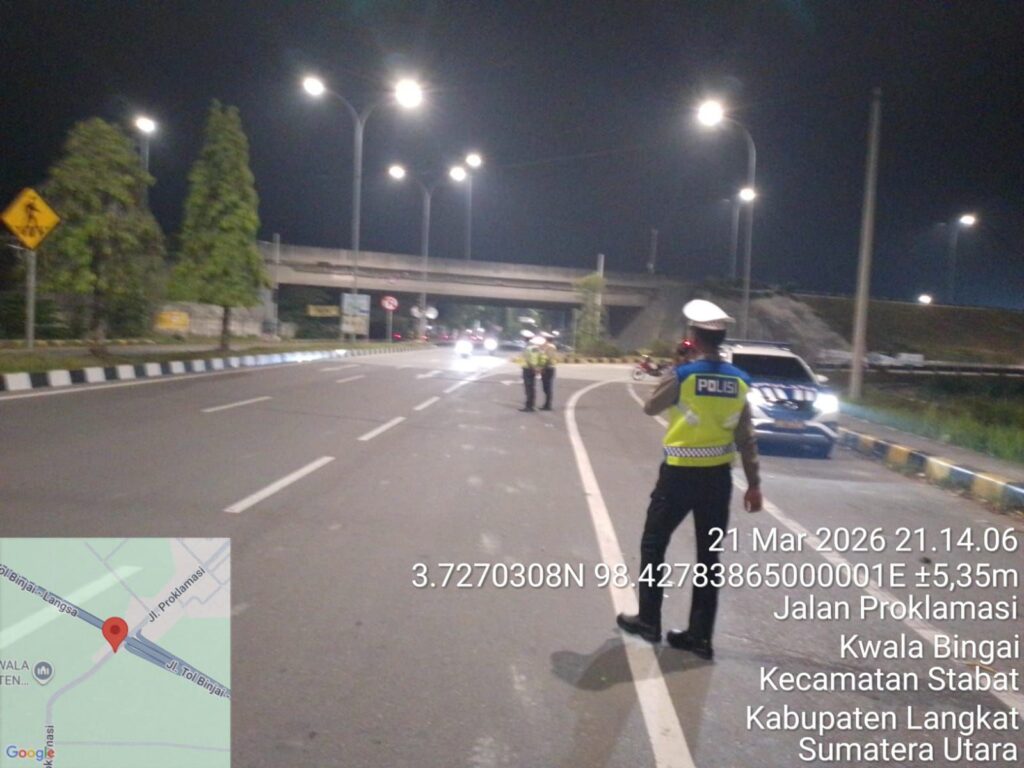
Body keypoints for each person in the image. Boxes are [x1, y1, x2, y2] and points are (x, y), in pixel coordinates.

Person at [617, 299, 763, 660]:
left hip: (679, 477)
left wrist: (676, 367)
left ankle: (649, 621)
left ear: (693, 338)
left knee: (654, 545)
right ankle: (700, 636)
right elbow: (746, 437)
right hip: (718, 482)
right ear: (722, 339)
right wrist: (754, 484)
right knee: (709, 557)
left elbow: (651, 406)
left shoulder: (684, 375)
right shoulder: (739, 381)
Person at [519, 337, 545, 412]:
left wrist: (533, 368)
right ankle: (532, 405)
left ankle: (528, 406)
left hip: (528, 369)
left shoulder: (529, 349)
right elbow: (542, 360)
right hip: (534, 369)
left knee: (528, 388)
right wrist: (539, 368)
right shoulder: (540, 350)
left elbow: (528, 360)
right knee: (532, 387)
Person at [539, 337, 558, 410]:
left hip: (548, 368)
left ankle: (548, 405)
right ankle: (546, 404)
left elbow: (548, 358)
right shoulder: (547, 347)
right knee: (546, 387)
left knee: (547, 387)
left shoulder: (550, 347)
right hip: (547, 368)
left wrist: (542, 367)